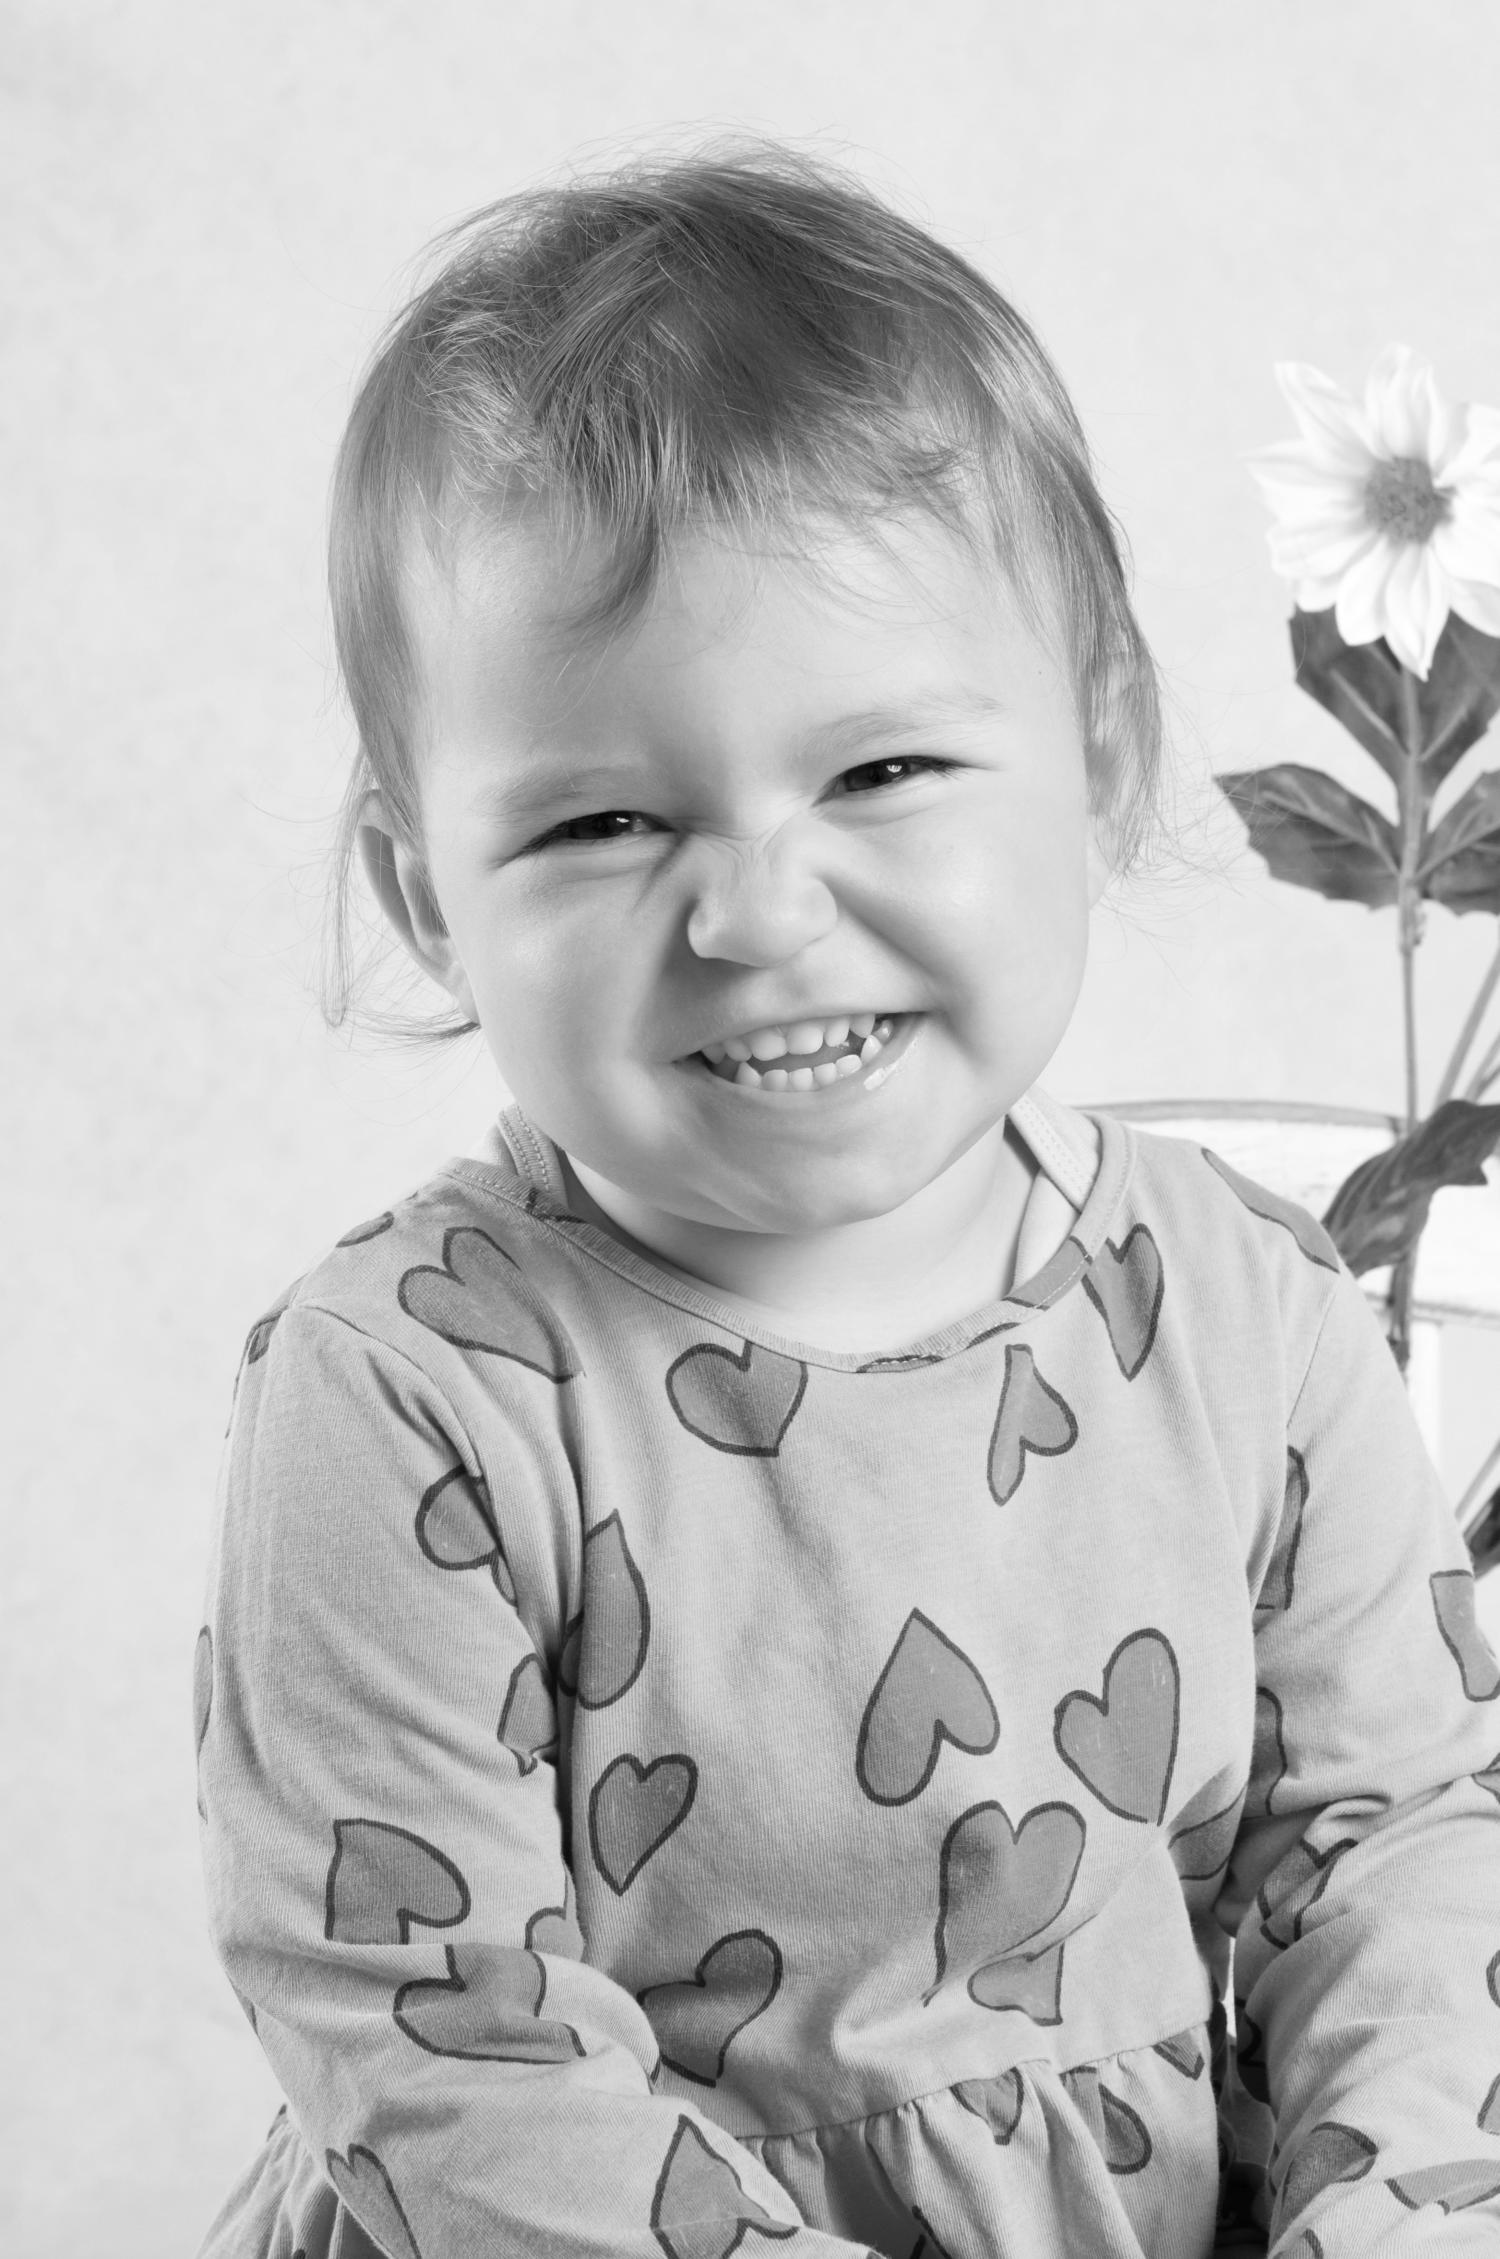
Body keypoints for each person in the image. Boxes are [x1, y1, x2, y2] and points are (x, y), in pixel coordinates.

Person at [193, 148, 1500, 2259]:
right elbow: (445, 2042)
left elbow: (1400, 1846)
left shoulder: (1249, 1310)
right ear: (427, 895)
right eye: (603, 822)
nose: (758, 911)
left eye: (880, 771)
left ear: (1103, 749)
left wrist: (1390, 2221)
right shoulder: (406, 1396)